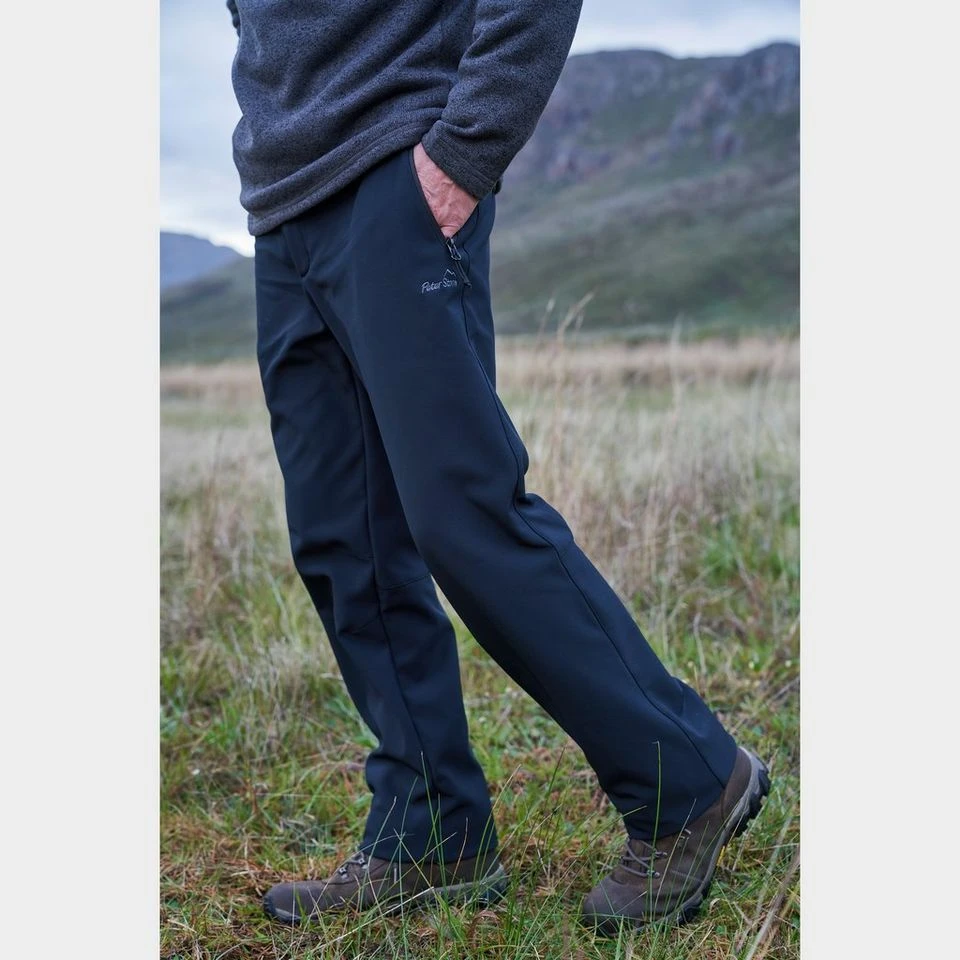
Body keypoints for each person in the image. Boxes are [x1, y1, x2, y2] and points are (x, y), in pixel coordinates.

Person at [223, 0, 769, 935]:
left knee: (462, 515)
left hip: (396, 172)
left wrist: (463, 153)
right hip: (282, 207)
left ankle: (688, 780)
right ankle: (430, 831)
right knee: (341, 537)